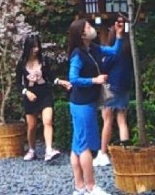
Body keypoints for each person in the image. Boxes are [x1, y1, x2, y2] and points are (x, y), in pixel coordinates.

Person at [66, 17, 120, 195]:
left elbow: (114, 52)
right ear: (82, 34)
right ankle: (90, 186)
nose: (92, 28)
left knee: (77, 145)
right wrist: (94, 80)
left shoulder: (94, 49)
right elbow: (73, 79)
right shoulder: (78, 55)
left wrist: (118, 36)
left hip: (85, 102)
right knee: (85, 146)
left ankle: (79, 186)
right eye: (88, 26)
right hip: (81, 104)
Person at [16, 32, 60, 163]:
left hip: (44, 93)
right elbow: (17, 83)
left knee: (48, 121)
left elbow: (51, 77)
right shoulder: (22, 64)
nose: (36, 50)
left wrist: (60, 82)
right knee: (31, 126)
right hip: (30, 95)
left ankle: (48, 150)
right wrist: (26, 92)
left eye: (37, 46)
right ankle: (31, 149)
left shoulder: (44, 61)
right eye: (33, 47)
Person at [95, 16, 130, 167]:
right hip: (125, 87)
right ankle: (125, 152)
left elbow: (104, 68)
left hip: (111, 88)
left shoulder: (111, 52)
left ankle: (103, 153)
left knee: (107, 121)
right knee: (122, 120)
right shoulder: (128, 49)